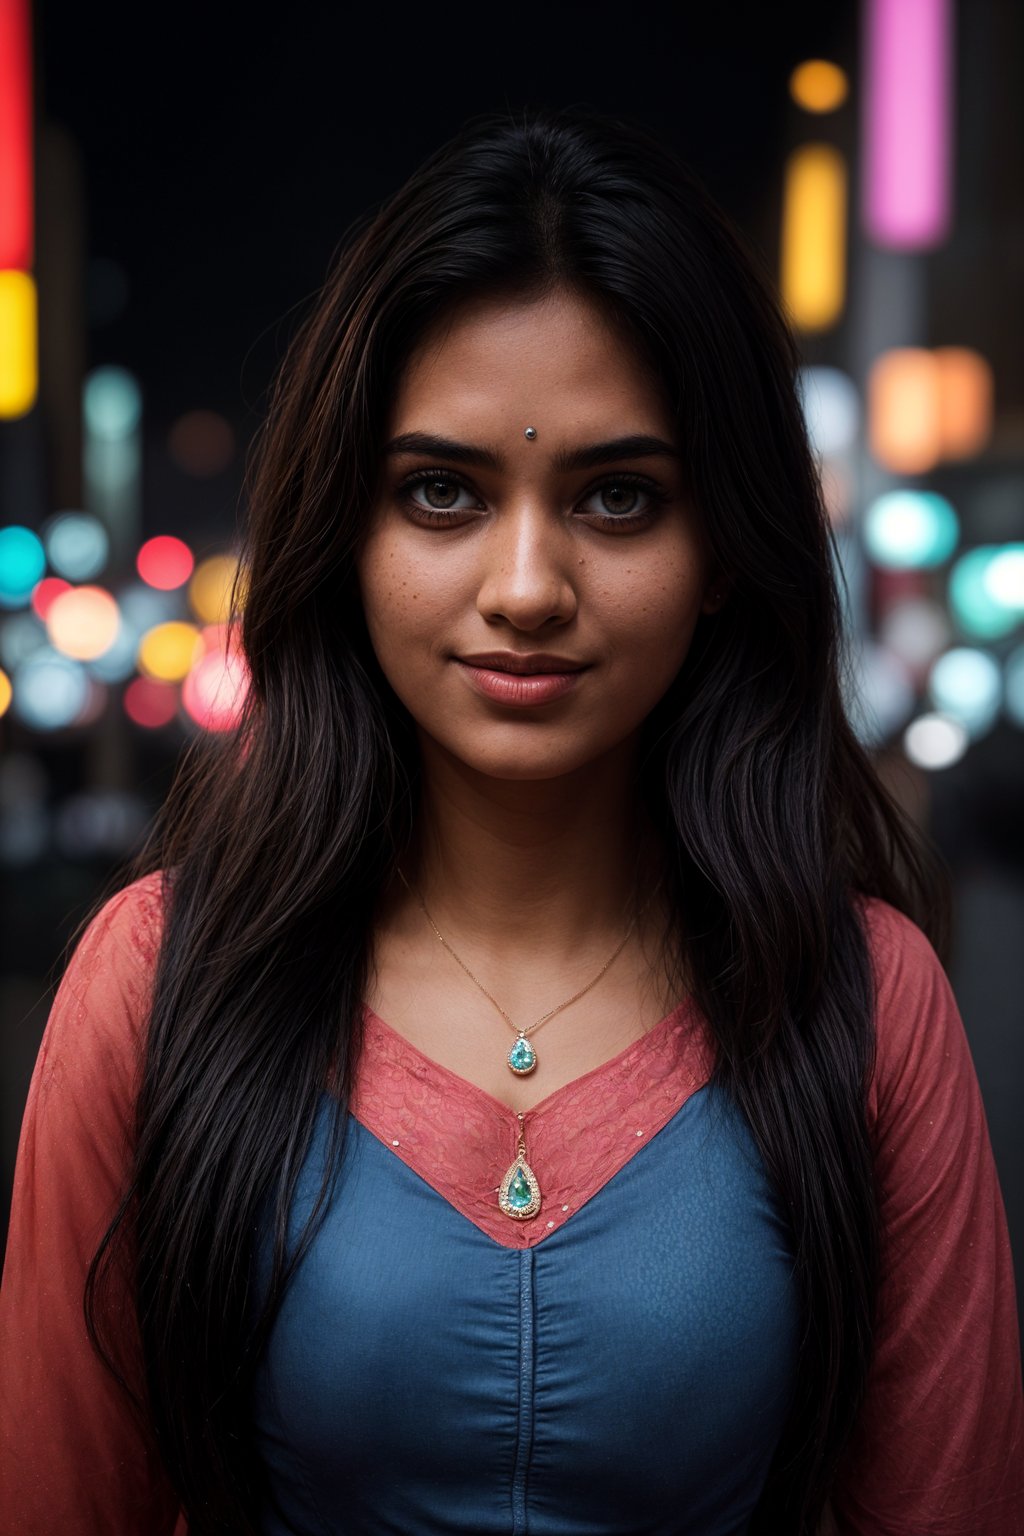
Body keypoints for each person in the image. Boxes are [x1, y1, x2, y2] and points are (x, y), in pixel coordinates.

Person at [1, 104, 1022, 1536]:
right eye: (440, 494)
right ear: (344, 538)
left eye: (616, 497)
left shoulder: (863, 1004)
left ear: (722, 546)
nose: (528, 584)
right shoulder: (160, 985)